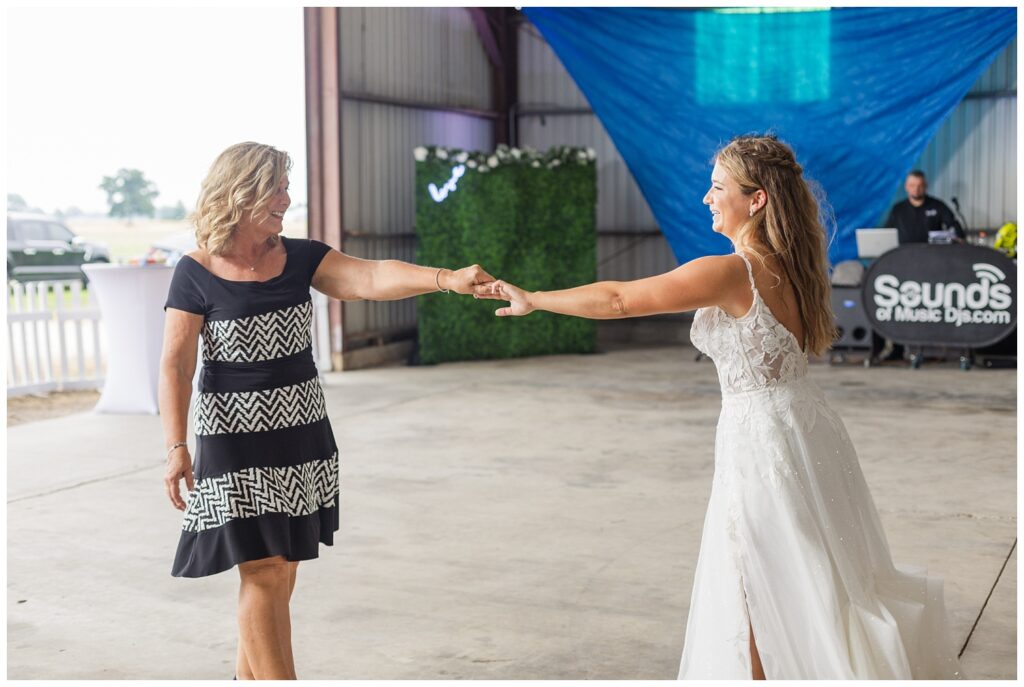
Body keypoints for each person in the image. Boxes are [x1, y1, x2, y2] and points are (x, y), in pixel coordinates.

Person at [476, 135, 962, 679]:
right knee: (804, 573)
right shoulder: (794, 266)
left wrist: (535, 299)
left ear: (755, 201)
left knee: (755, 579)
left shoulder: (733, 271)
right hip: (805, 425)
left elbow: (620, 299)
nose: (707, 199)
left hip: (763, 438)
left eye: (717, 188)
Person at [159, 142, 494, 680]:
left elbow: (370, 277)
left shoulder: (301, 257)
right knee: (264, 570)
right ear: (240, 191)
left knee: (281, 571)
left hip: (300, 433)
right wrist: (176, 446)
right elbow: (176, 367)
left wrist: (446, 278)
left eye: (287, 188)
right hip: (233, 440)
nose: (287, 199)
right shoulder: (196, 272)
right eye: (276, 189)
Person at [885, 170, 964, 244]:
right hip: (903, 254)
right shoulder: (898, 209)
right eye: (912, 185)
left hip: (932, 254)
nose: (916, 189)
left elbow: (955, 228)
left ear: (926, 186)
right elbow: (887, 233)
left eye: (920, 185)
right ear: (906, 187)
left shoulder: (938, 206)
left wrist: (956, 237)